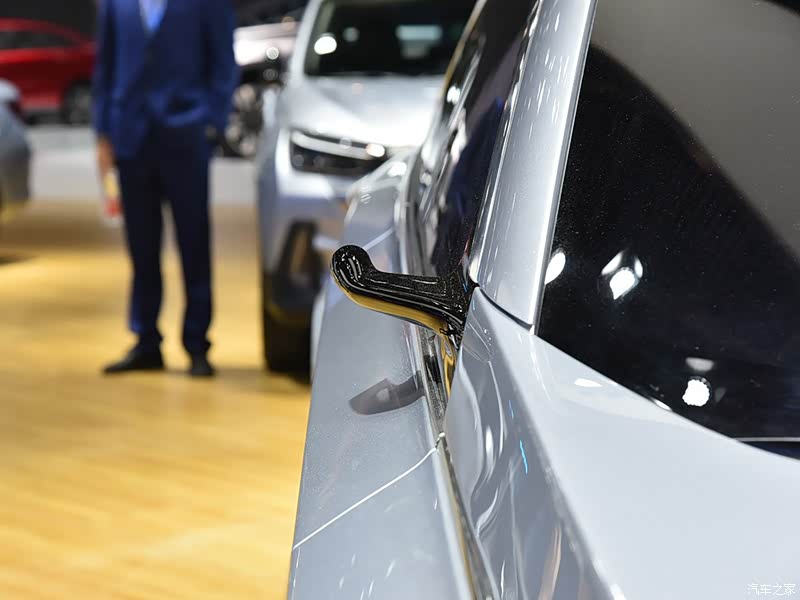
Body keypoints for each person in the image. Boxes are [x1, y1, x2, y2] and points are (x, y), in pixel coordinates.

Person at [92, 0, 237, 377]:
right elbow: (105, 66)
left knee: (194, 243)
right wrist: (103, 132)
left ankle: (197, 343)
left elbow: (224, 61)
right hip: (130, 136)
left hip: (187, 133)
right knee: (140, 247)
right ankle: (146, 341)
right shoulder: (115, 4)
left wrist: (212, 122)